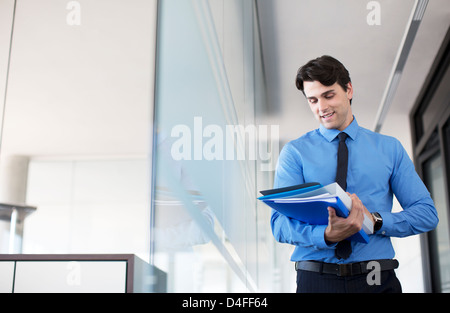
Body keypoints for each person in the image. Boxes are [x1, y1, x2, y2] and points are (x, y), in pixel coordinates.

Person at [271, 55, 439, 293]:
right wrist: (326, 235)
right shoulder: (295, 152)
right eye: (313, 100)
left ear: (348, 89)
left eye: (329, 95)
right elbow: (279, 224)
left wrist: (374, 222)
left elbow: (426, 214)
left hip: (376, 278)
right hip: (316, 280)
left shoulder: (389, 148)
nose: (322, 107)